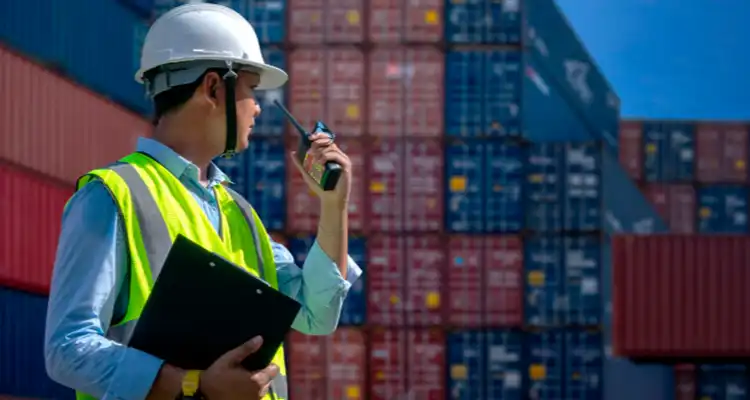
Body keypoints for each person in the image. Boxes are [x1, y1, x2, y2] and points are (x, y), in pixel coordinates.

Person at [43, 3, 361, 400]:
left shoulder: (240, 213)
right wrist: (193, 387)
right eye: (250, 90)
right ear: (213, 87)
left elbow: (317, 315)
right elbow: (66, 349)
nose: (258, 107)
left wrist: (334, 207)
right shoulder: (112, 195)